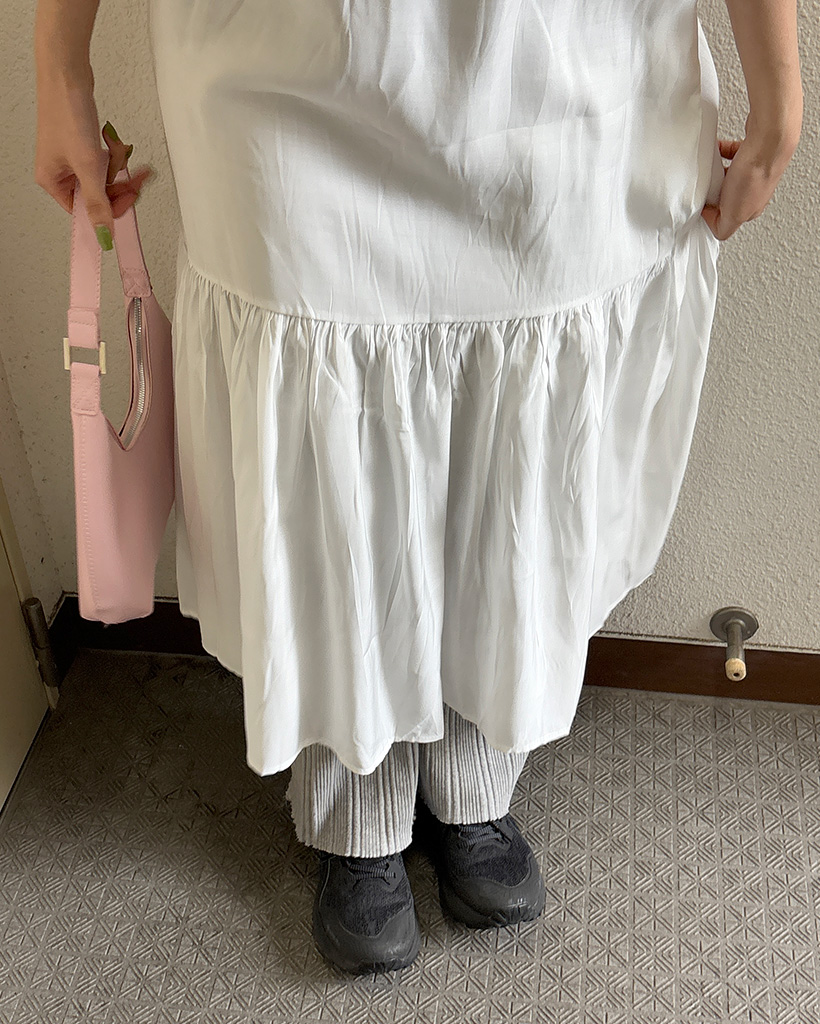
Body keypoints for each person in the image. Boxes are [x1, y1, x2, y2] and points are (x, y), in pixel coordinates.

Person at [34, 0, 802, 977]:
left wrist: (778, 83)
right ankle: (355, 795)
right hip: (280, 53)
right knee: (317, 429)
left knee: (516, 438)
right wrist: (60, 65)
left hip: (562, 55)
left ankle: (476, 765)